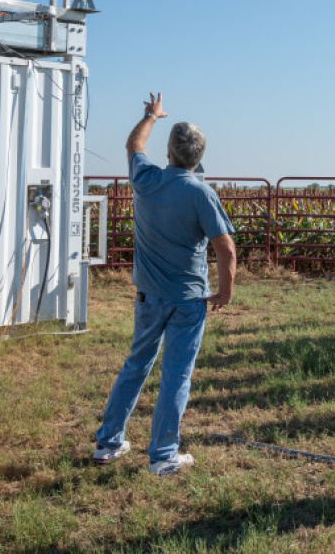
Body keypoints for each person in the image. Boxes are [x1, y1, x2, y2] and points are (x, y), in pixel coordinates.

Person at [92, 94, 237, 476]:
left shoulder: (146, 179)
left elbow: (134, 145)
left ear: (169, 152)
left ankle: (108, 442)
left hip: (148, 295)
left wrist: (151, 116)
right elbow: (226, 249)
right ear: (198, 157)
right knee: (176, 375)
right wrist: (224, 293)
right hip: (188, 300)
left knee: (136, 363)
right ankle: (163, 454)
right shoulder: (201, 193)